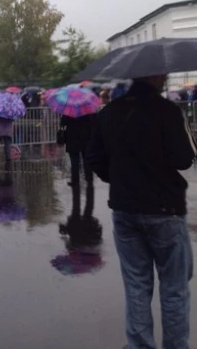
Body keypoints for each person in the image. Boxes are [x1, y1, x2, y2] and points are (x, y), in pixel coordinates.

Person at [88, 74, 197, 349]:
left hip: (124, 208)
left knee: (136, 284)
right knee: (174, 288)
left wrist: (121, 180)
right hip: (165, 210)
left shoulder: (110, 111)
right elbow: (183, 159)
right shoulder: (167, 111)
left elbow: (94, 158)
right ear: (155, 76)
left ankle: (140, 345)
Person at [60, 114, 96, 220]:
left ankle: (75, 180)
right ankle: (89, 178)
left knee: (75, 162)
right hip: (85, 139)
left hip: (72, 139)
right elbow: (93, 122)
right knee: (86, 161)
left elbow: (63, 123)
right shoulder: (88, 110)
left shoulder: (69, 110)